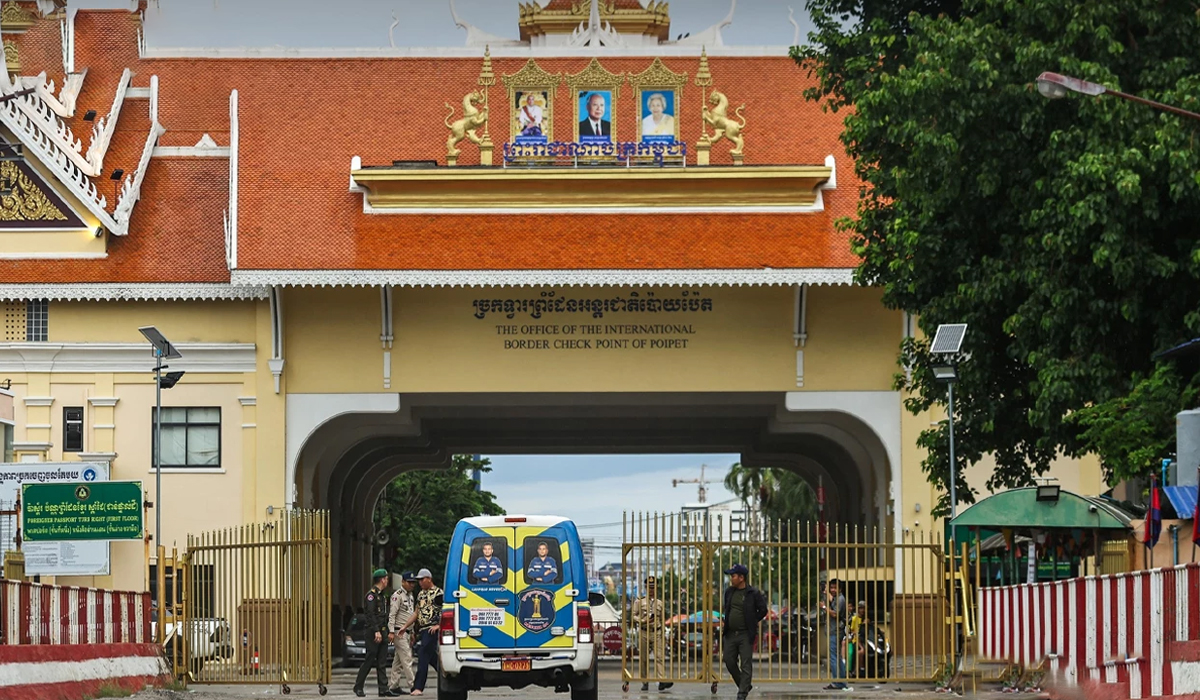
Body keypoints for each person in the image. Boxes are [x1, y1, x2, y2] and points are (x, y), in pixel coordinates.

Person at [722, 564, 769, 700]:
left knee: (746, 663)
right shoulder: (729, 592)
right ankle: (745, 684)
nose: (731, 579)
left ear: (741, 578)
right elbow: (727, 609)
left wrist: (753, 621)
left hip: (745, 634)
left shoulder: (753, 593)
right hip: (731, 633)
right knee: (729, 660)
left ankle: (742, 693)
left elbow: (763, 610)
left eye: (733, 576)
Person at [354, 568, 399, 698]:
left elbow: (383, 616)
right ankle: (358, 686)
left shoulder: (381, 595)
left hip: (382, 631)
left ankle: (383, 688)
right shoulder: (371, 596)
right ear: (382, 580)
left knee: (382, 662)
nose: (387, 581)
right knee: (370, 659)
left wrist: (387, 631)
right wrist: (376, 631)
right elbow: (370, 615)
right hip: (373, 632)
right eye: (386, 579)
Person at [630, 576, 673, 692]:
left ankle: (661, 681)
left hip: (656, 632)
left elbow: (662, 619)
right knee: (644, 659)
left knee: (659, 657)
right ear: (646, 588)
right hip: (644, 631)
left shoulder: (659, 603)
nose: (651, 590)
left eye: (653, 587)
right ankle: (645, 682)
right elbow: (633, 616)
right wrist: (642, 620)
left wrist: (663, 633)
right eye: (649, 587)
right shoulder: (639, 602)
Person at [410, 568, 442, 696]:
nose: (420, 582)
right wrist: (407, 627)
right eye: (419, 580)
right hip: (422, 629)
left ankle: (418, 687)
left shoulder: (439, 593)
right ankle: (448, 674)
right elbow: (416, 612)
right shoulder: (421, 594)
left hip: (432, 629)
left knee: (423, 654)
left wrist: (439, 625)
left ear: (429, 579)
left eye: (422, 579)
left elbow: (446, 610)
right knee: (432, 657)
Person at [387, 572, 418, 695]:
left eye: (413, 583)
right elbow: (392, 615)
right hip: (399, 631)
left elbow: (410, 615)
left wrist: (413, 632)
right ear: (403, 582)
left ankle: (394, 685)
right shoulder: (397, 596)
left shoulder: (410, 596)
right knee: (407, 658)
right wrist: (391, 631)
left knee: (398, 661)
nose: (412, 585)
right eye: (409, 582)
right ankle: (413, 685)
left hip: (407, 632)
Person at [820, 578, 849, 690]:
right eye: (831, 587)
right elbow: (832, 604)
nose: (833, 590)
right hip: (834, 630)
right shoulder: (837, 599)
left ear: (840, 589)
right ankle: (841, 682)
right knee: (838, 657)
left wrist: (824, 607)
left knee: (833, 657)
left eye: (835, 588)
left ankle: (836, 682)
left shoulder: (840, 599)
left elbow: (835, 614)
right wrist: (826, 593)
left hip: (836, 631)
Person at [846, 601, 866, 679]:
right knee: (859, 651)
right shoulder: (854, 619)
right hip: (856, 639)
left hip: (866, 639)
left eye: (864, 608)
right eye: (861, 608)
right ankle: (857, 669)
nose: (862, 610)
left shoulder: (866, 619)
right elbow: (851, 630)